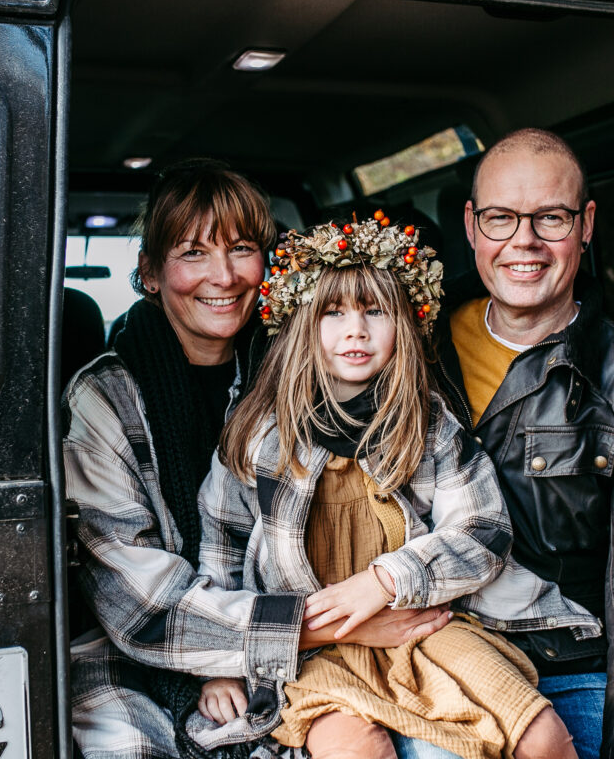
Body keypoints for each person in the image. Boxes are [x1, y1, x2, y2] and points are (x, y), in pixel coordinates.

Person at [64, 161, 452, 759]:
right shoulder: (103, 398)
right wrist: (316, 627)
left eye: (242, 249)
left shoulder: (312, 370)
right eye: (193, 252)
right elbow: (135, 603)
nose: (223, 276)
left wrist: (365, 602)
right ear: (149, 270)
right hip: (128, 656)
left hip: (320, 630)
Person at [192, 214, 590, 759]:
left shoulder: (426, 425)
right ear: (301, 325)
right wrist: (218, 668)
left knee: (542, 735)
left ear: (403, 324)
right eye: (333, 313)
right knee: (356, 750)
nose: (355, 330)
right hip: (315, 655)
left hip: (425, 629)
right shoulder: (260, 436)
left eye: (374, 311)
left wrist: (384, 581)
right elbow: (219, 556)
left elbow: (483, 528)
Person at [433, 129, 614, 759]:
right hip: (424, 659)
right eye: (502, 218)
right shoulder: (405, 350)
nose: (523, 242)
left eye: (550, 218)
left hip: (561, 670)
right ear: (473, 227)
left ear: (585, 224)